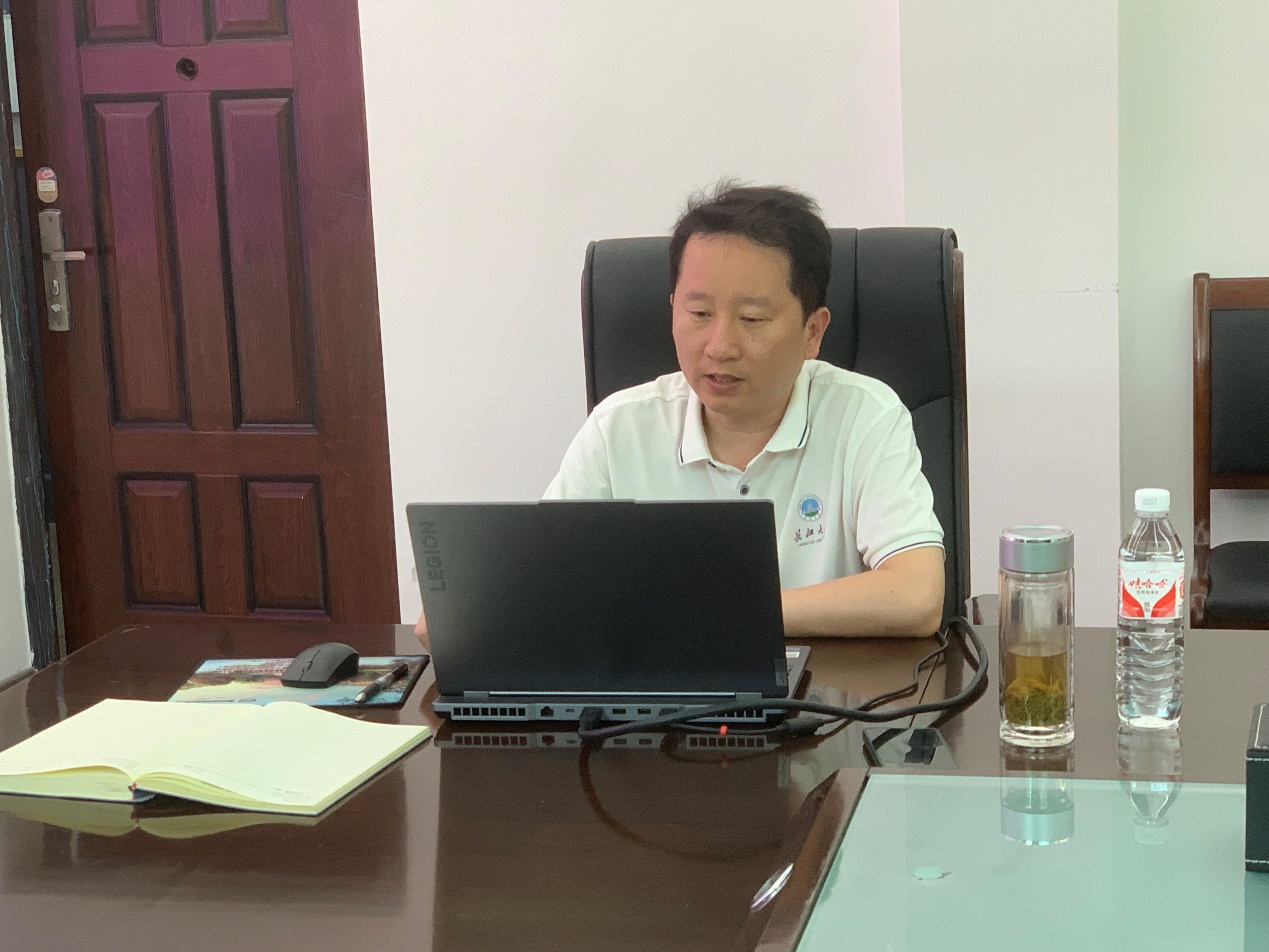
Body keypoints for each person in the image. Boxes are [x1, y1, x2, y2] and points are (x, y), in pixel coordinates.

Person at [416, 182, 944, 645]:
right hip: (652, 711)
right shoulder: (619, 429)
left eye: (751, 318)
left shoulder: (865, 416)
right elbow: (523, 590)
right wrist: (467, 610)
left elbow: (917, 596)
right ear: (672, 310)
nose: (719, 346)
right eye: (698, 313)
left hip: (820, 707)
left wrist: (726, 614)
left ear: (813, 331)